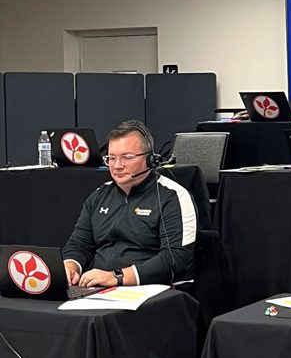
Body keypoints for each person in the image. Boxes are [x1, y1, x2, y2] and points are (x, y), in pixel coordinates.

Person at [62, 120, 198, 287]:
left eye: (127, 157)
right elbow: (79, 244)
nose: (117, 166)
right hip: (100, 289)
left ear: (150, 159)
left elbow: (175, 258)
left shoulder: (173, 196)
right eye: (111, 158)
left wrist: (117, 277)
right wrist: (70, 266)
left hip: (154, 291)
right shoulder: (98, 196)